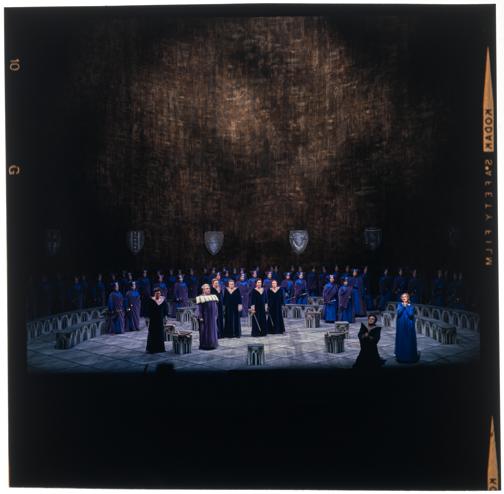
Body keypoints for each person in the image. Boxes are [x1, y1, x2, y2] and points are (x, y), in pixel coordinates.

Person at [395, 292, 419, 363]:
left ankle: (409, 357)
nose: (404, 298)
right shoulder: (399, 305)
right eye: (402, 297)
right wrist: (403, 306)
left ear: (408, 298)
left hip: (409, 325)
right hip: (401, 325)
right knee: (401, 339)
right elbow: (399, 313)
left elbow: (410, 314)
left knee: (409, 340)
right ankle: (401, 357)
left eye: (405, 296)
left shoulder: (411, 306)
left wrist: (406, 306)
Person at [196, 284, 219, 350]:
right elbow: (199, 308)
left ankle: (213, 344)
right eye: (206, 288)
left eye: (209, 288)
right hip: (205, 317)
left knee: (213, 331)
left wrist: (216, 315)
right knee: (205, 331)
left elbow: (215, 307)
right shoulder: (200, 297)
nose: (208, 289)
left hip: (212, 317)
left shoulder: (213, 296)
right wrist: (200, 316)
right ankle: (205, 345)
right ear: (203, 290)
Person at [145, 287, 168, 353]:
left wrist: (165, 317)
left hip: (160, 320)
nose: (158, 294)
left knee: (160, 334)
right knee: (152, 334)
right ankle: (152, 349)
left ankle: (160, 349)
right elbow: (148, 310)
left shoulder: (163, 300)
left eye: (159, 293)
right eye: (156, 293)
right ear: (154, 294)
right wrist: (147, 318)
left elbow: (165, 310)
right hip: (153, 320)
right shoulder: (151, 300)